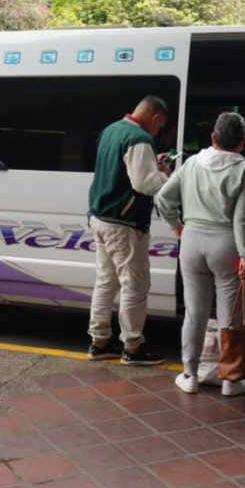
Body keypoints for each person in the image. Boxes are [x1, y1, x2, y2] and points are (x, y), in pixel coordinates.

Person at [156, 112, 245, 396]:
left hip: (191, 241)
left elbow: (163, 197)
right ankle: (231, 380)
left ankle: (189, 374)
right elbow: (243, 221)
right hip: (226, 243)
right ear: (243, 142)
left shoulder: (191, 163)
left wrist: (177, 225)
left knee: (195, 311)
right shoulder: (244, 170)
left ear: (212, 138)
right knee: (230, 316)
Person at [87, 96, 171, 366]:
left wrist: (151, 163)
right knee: (134, 285)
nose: (157, 132)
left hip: (101, 217)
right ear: (155, 117)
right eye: (160, 127)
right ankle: (133, 347)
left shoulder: (111, 129)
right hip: (124, 224)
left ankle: (99, 342)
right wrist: (166, 173)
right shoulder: (139, 138)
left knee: (106, 282)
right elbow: (144, 183)